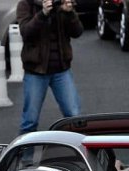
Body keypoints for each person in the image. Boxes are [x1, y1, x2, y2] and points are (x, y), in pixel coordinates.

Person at [16, 0, 84, 134]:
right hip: (36, 71)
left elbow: (77, 32)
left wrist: (70, 14)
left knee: (74, 115)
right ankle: (24, 154)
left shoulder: (61, 4)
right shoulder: (26, 4)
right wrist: (43, 14)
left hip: (61, 70)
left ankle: (78, 151)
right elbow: (26, 32)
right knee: (30, 120)